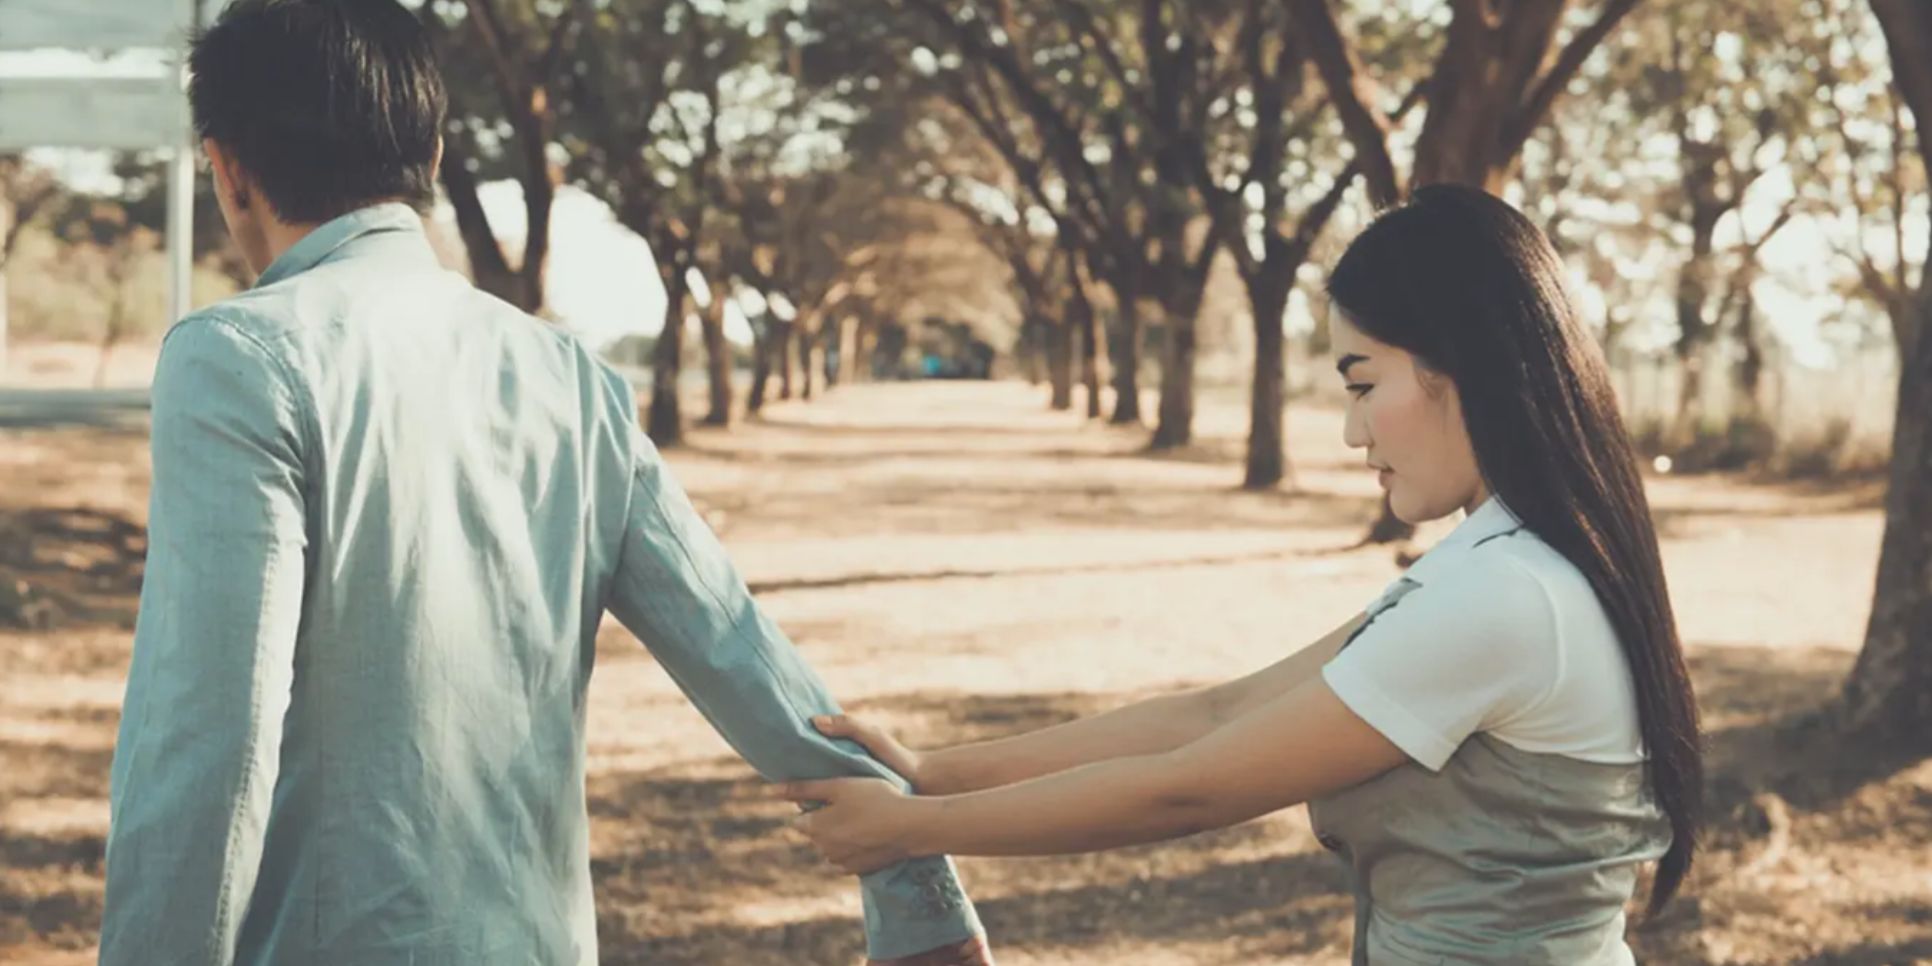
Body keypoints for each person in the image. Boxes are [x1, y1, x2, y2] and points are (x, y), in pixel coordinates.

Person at [98, 2, 989, 963]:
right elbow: (742, 654)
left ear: (225, 167)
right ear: (433, 156)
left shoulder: (238, 357)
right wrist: (923, 899)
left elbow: (208, 744)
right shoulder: (571, 377)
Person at [783, 185, 1703, 965]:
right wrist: (937, 776)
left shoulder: (1508, 596)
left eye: (1361, 383)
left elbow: (1193, 785)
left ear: (1457, 367)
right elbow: (1215, 716)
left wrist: (906, 831)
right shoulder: (1504, 564)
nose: (1353, 433)